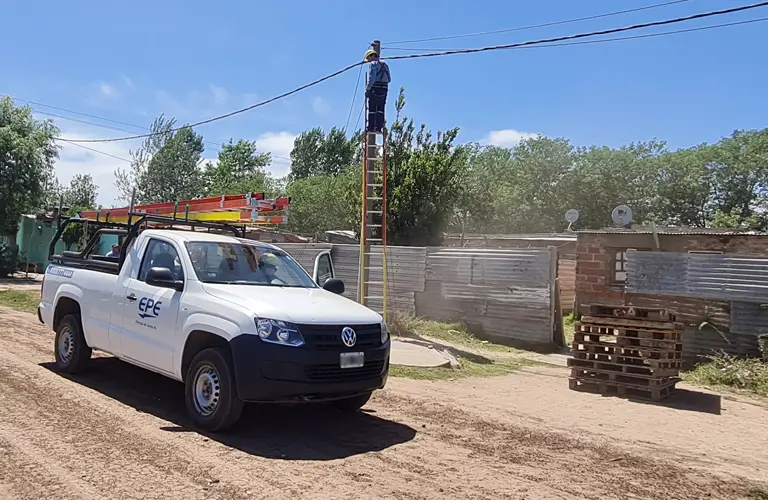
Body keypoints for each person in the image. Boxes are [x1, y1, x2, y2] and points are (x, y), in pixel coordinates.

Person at [364, 48, 391, 133]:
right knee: (380, 109)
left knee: (372, 109)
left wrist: (368, 89)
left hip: (375, 88)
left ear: (372, 56)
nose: (368, 60)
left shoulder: (373, 64)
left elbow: (372, 78)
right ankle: (379, 127)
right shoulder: (385, 64)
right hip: (384, 89)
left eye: (368, 58)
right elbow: (389, 79)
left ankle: (371, 127)